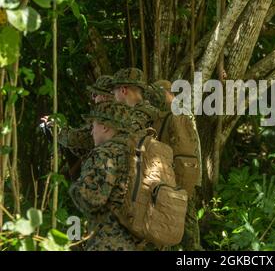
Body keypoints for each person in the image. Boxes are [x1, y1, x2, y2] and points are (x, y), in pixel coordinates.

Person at [68, 101, 142, 251]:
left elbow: (92, 199)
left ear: (104, 126)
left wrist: (74, 188)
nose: (91, 132)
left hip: (108, 241)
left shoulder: (105, 153)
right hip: (137, 241)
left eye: (93, 125)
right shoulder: (137, 153)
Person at [153, 79, 203, 251]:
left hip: (180, 175)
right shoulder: (179, 111)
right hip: (186, 174)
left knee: (184, 217)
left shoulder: (177, 112)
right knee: (185, 217)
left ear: (167, 92)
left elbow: (189, 149)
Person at [40, 75, 114, 179]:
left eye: (95, 94)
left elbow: (76, 139)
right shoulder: (122, 113)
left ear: (104, 96)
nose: (93, 98)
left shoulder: (107, 116)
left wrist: (56, 128)